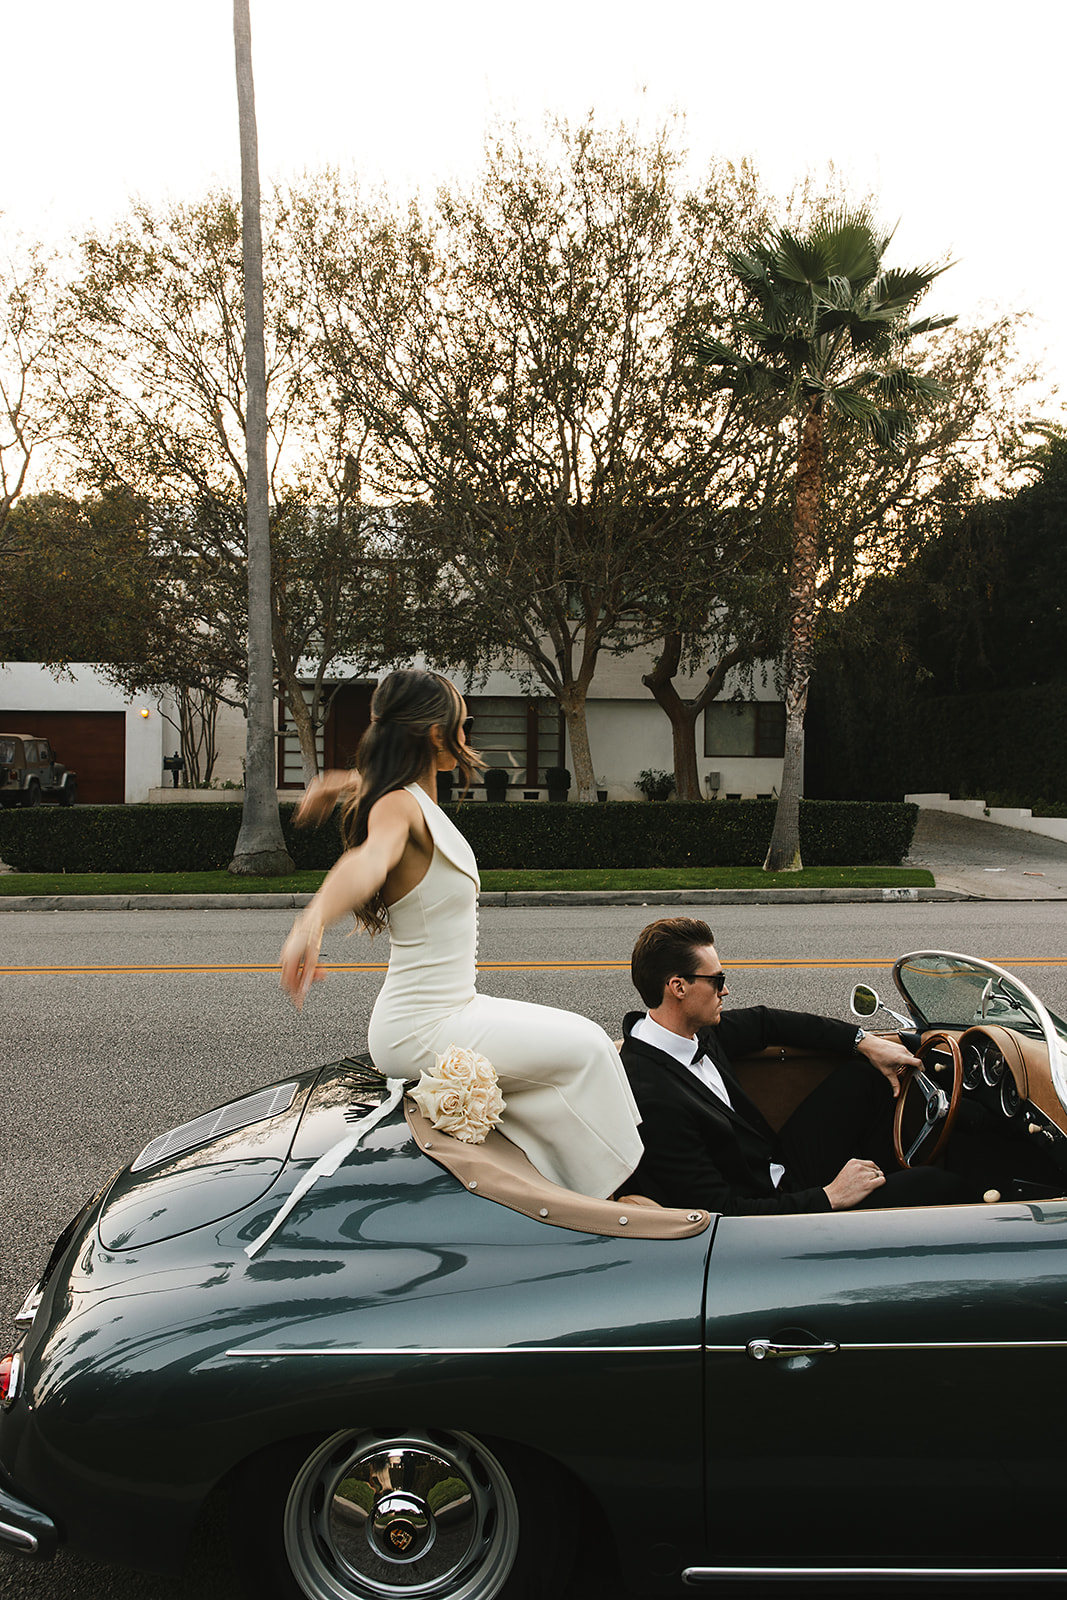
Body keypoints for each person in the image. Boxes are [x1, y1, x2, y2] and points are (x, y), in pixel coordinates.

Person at [278, 668, 643, 1199]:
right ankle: (603, 1201)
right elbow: (369, 859)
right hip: (422, 1026)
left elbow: (384, 796)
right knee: (588, 1048)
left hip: (450, 1008)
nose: (468, 738)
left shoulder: (406, 798)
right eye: (462, 726)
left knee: (594, 1042)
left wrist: (342, 780)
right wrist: (309, 922)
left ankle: (588, 1183)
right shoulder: (399, 806)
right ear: (433, 733)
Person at [619, 916, 970, 1214]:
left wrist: (864, 1041)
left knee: (865, 1079)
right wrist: (830, 1197)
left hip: (773, 1162)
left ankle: (883, 1189)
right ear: (678, 987)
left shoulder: (693, 1031)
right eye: (717, 981)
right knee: (940, 1183)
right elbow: (719, 1210)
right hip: (764, 1202)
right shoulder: (654, 1095)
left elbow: (768, 1023)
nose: (724, 992)